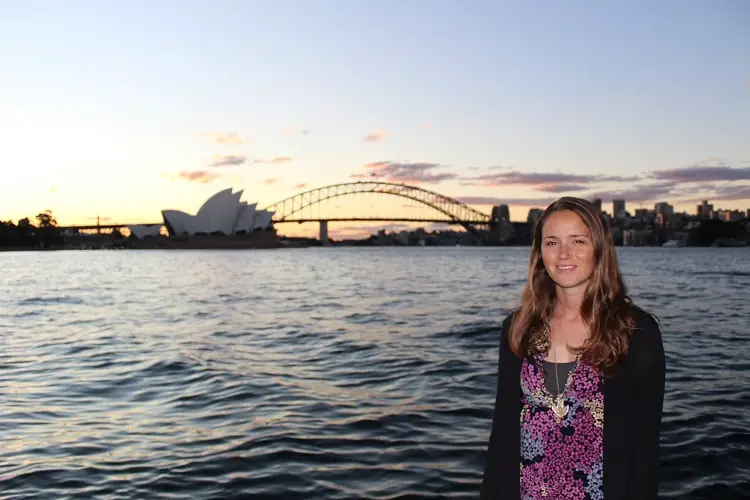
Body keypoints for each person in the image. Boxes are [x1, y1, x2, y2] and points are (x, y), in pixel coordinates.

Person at [479, 197, 666, 500]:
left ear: (599, 249)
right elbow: (502, 434)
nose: (564, 253)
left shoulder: (636, 332)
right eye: (551, 243)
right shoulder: (518, 328)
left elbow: (644, 448)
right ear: (539, 253)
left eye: (577, 241)